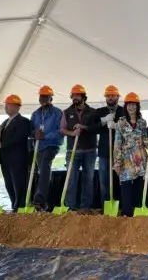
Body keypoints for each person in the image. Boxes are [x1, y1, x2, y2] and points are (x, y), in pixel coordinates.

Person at [60, 84, 97, 212]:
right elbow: (62, 129)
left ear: (83, 97)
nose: (75, 97)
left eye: (77, 95)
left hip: (90, 151)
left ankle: (85, 207)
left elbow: (96, 128)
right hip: (72, 151)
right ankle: (70, 207)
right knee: (71, 179)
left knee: (88, 180)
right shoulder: (66, 112)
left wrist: (83, 127)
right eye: (73, 95)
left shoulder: (93, 112)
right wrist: (72, 133)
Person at [87, 85, 123, 208]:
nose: (110, 98)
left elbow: (130, 129)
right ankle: (106, 206)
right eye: (108, 95)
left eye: (113, 95)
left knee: (122, 180)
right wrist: (103, 121)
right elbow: (90, 128)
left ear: (118, 96)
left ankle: (122, 206)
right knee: (104, 182)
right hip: (104, 152)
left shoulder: (123, 111)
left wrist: (116, 125)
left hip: (121, 152)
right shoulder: (100, 112)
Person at [114, 92, 148, 217]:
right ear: (125, 106)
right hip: (126, 158)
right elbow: (117, 143)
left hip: (140, 157)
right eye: (129, 104)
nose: (131, 107)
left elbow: (146, 141)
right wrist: (117, 162)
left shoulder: (142, 122)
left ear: (137, 106)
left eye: (134, 104)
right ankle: (127, 212)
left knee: (140, 184)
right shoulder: (121, 123)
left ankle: (138, 210)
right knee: (126, 185)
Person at [30, 86, 63, 212]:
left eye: (45, 96)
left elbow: (60, 131)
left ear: (51, 98)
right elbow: (31, 130)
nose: (42, 98)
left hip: (52, 145)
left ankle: (39, 200)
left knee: (44, 167)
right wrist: (35, 134)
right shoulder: (35, 114)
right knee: (43, 172)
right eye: (41, 96)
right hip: (39, 147)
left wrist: (45, 136)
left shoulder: (58, 113)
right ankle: (47, 204)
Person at [0, 95, 31, 212]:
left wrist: (3, 144)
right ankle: (14, 205)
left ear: (17, 107)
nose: (6, 107)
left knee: (19, 184)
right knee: (9, 184)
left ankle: (20, 208)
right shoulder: (5, 122)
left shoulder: (24, 122)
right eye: (5, 105)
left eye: (8, 105)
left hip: (18, 160)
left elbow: (19, 137)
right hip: (5, 159)